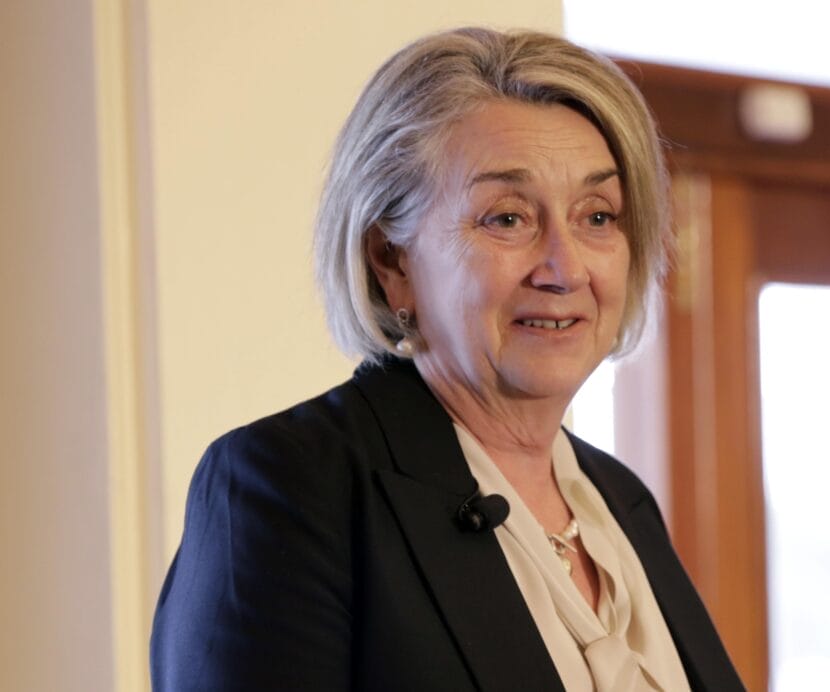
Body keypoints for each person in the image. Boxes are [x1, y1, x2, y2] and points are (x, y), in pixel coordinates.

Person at [150, 27, 743, 691]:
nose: (566, 268)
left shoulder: (620, 501)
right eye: (508, 218)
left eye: (597, 217)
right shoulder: (291, 487)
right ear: (392, 261)